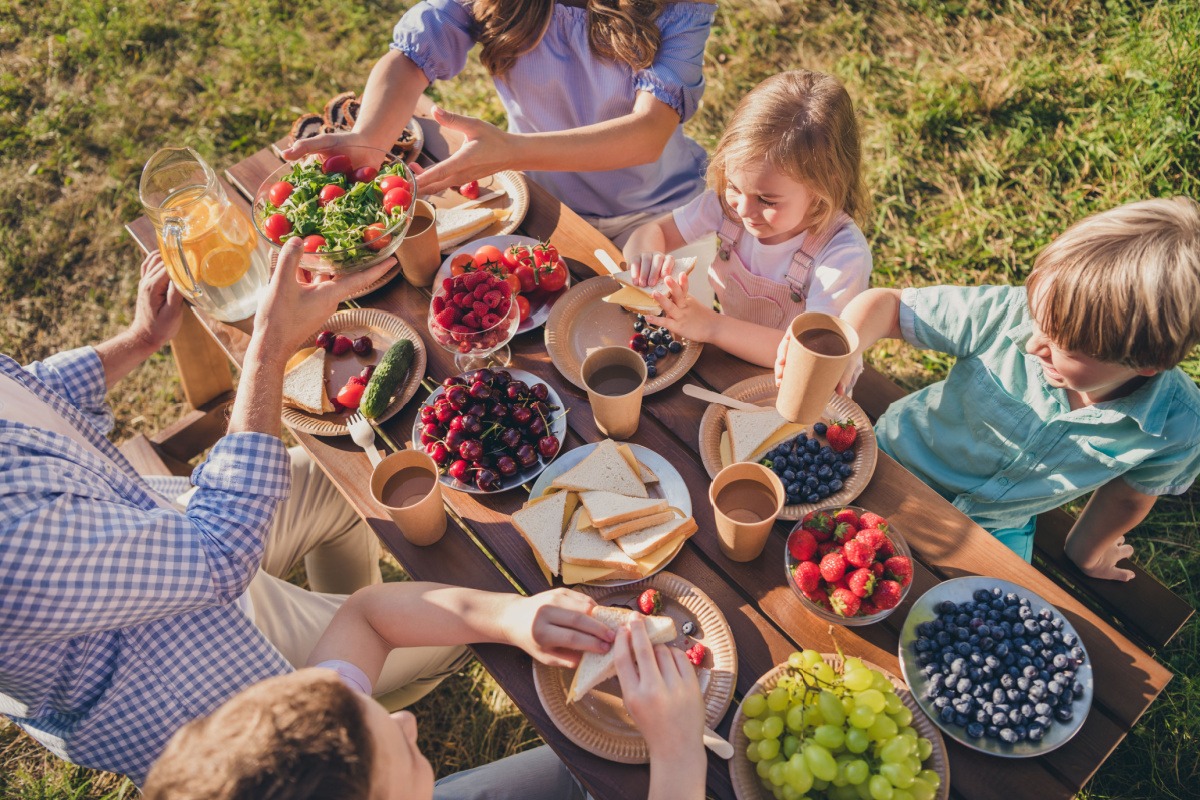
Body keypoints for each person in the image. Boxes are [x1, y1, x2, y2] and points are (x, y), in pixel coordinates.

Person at [0, 240, 464, 784]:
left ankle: (351, 647)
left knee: (348, 488)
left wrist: (141, 339)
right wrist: (269, 346)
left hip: (168, 531)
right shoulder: (10, 550)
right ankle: (353, 746)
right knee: (457, 631)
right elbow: (220, 548)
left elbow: (24, 395)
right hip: (190, 673)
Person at [775, 197, 1200, 580]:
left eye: (1062, 347)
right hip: (890, 464)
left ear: (1148, 365)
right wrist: (845, 347)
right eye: (1038, 320)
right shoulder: (1005, 313)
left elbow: (1127, 499)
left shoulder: (1180, 425)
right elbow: (887, 306)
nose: (1033, 344)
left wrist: (1086, 553)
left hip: (997, 529)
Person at [142, 586, 708, 800]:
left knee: (583, 771)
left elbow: (366, 617)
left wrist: (510, 616)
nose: (408, 719)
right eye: (401, 751)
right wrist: (678, 753)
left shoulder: (304, 742)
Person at [285, 0, 716, 246]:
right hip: (547, 207)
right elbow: (412, 57)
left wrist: (510, 151)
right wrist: (368, 140)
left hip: (663, 216)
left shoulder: (677, 7)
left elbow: (648, 133)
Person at [622, 69, 873, 367]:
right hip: (731, 354)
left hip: (796, 384)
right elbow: (652, 232)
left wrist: (713, 326)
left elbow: (808, 357)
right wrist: (646, 259)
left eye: (766, 200)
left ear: (823, 187)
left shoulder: (841, 256)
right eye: (733, 186)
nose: (742, 210)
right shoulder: (728, 208)